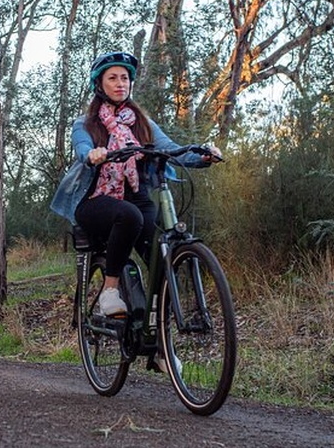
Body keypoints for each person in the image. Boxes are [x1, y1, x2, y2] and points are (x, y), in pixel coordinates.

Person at [51, 51, 221, 317]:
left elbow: (171, 150)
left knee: (162, 258)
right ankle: (110, 290)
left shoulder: (143, 124)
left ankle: (158, 344)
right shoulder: (85, 124)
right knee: (129, 216)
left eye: (125, 78)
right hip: (95, 200)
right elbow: (82, 148)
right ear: (100, 85)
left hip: (137, 197)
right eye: (113, 78)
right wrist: (92, 154)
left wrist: (203, 156)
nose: (121, 83)